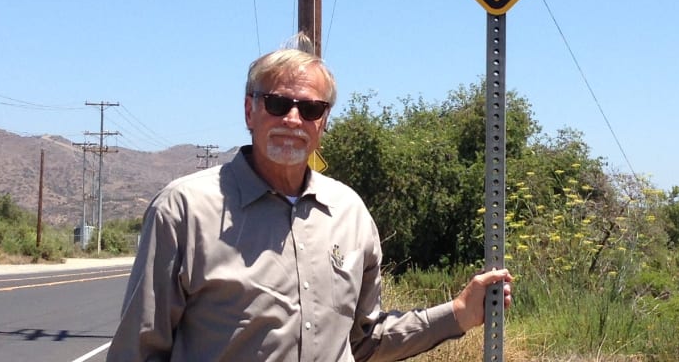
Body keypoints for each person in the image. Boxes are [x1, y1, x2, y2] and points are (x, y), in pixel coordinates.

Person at [108, 35, 512, 361]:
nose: (293, 119)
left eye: (311, 109)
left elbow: (364, 343)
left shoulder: (349, 213)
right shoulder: (184, 209)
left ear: (324, 122)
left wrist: (457, 314)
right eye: (278, 103)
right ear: (250, 111)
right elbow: (139, 351)